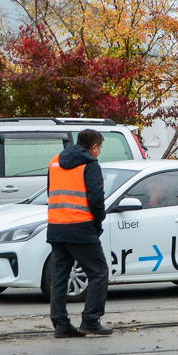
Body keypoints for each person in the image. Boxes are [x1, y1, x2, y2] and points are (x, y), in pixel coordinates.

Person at [47, 128, 111, 338]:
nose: (100, 152)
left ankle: (61, 324)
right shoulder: (91, 165)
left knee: (59, 278)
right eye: (100, 148)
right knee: (98, 273)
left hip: (56, 226)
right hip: (81, 227)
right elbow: (96, 198)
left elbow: (51, 191)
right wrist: (97, 223)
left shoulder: (55, 161)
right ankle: (90, 320)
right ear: (94, 147)